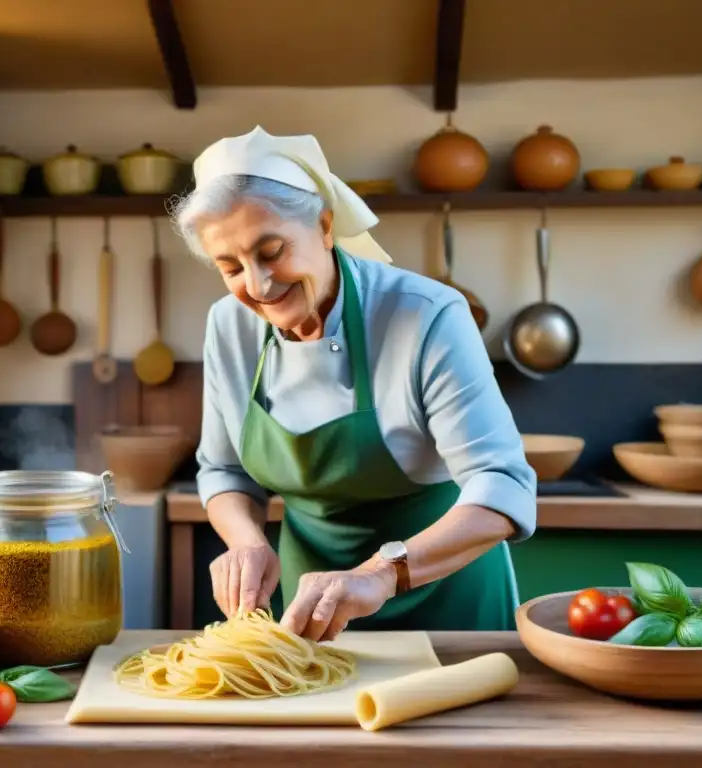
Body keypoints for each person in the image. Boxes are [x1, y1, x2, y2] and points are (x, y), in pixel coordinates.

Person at [169, 126, 537, 641]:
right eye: (230, 267)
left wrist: (381, 574)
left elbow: (505, 487)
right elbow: (224, 469)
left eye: (272, 251)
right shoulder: (229, 324)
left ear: (323, 226)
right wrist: (247, 541)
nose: (257, 285)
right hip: (312, 609)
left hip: (446, 601)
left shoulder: (426, 316)